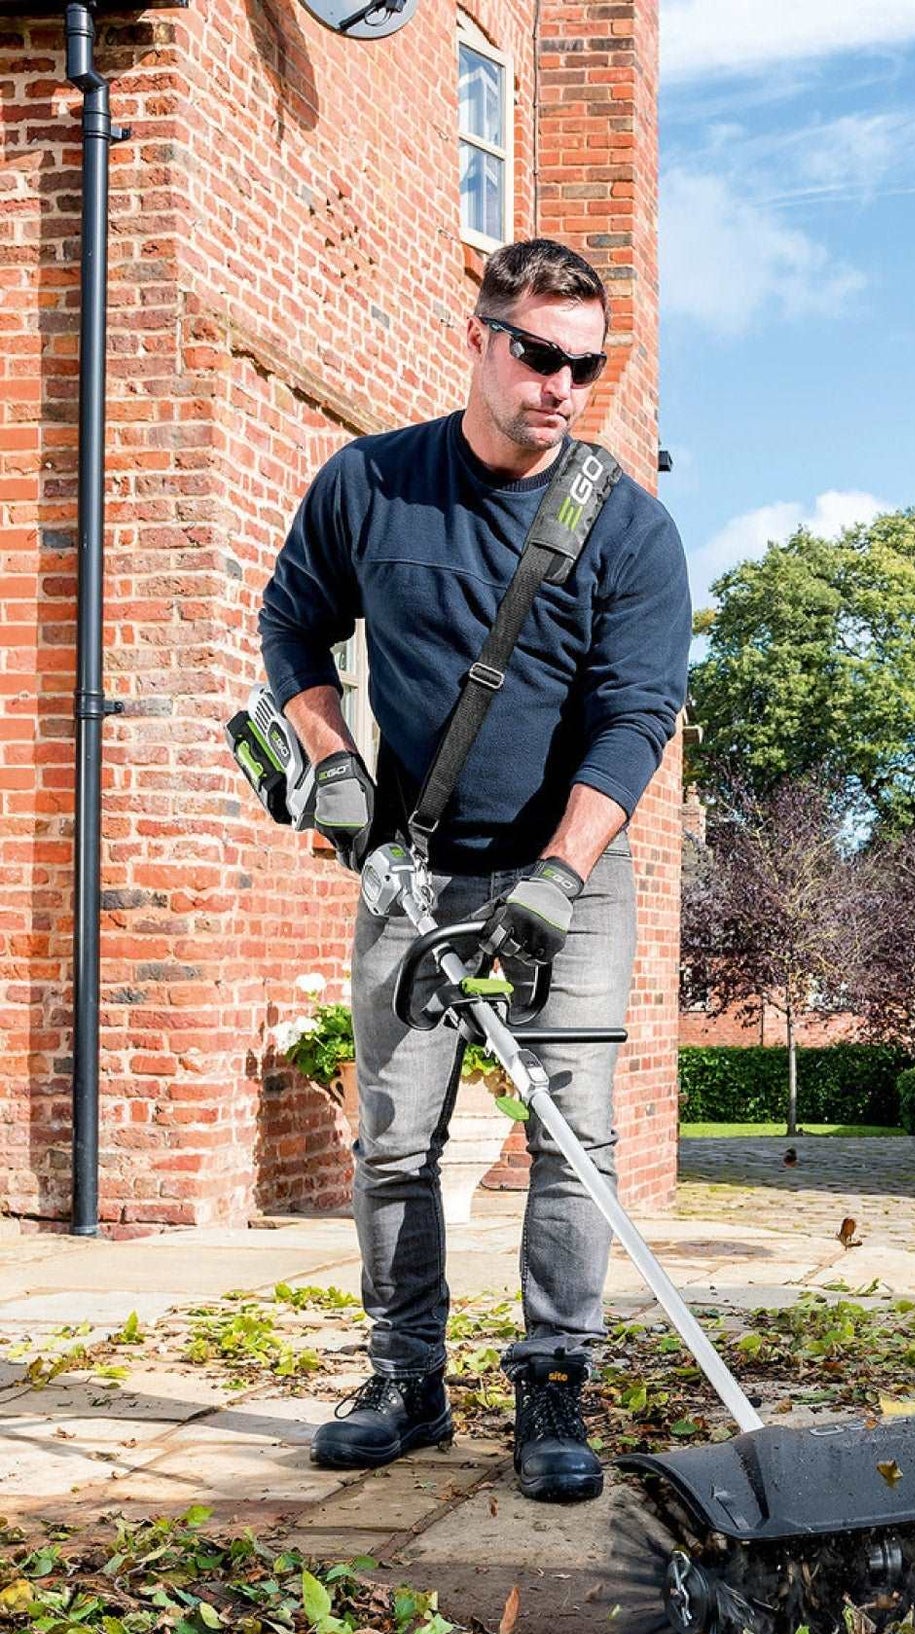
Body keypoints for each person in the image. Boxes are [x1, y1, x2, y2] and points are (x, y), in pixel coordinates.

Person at [257, 239, 690, 1504]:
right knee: (395, 1140)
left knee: (573, 1136)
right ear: (480, 338)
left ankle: (553, 1383)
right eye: (538, 355)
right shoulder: (371, 484)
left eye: (585, 366)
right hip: (410, 866)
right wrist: (331, 753)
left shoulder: (626, 529)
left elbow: (633, 715)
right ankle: (405, 1381)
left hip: (568, 871)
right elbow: (291, 618)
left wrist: (557, 876)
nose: (561, 385)